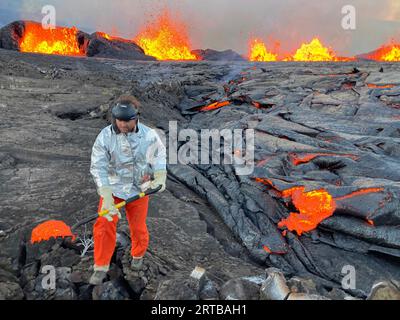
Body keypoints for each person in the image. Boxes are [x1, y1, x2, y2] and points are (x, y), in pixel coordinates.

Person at [89, 95, 167, 285]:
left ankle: (138, 255)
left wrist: (160, 174)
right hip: (113, 190)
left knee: (138, 227)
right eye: (119, 120)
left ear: (136, 117)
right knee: (103, 224)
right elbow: (98, 166)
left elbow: (158, 156)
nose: (122, 124)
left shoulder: (149, 135)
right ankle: (101, 266)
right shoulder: (105, 136)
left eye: (127, 120)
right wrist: (105, 194)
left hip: (140, 189)